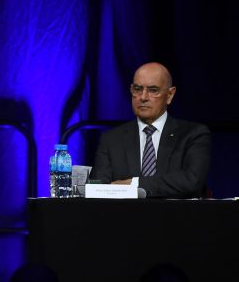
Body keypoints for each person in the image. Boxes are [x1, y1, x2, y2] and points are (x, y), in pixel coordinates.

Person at [90, 62, 211, 198]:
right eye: (137, 89)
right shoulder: (111, 139)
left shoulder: (193, 135)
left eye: (153, 90)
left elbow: (192, 180)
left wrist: (136, 184)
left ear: (170, 95)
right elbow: (99, 189)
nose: (143, 97)